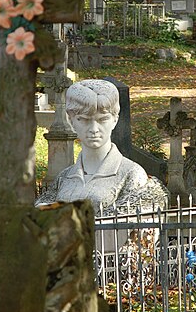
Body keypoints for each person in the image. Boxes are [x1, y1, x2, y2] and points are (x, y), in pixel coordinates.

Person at [35, 79, 168, 215]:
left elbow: (134, 223)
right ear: (71, 121)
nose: (94, 129)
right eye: (84, 119)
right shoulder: (64, 177)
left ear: (115, 120)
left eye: (102, 119)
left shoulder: (131, 173)